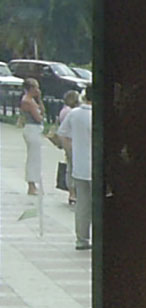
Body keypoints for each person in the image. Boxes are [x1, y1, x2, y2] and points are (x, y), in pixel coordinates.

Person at [57, 86, 92, 250]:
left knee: (82, 205)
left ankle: (82, 239)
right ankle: (100, 238)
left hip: (79, 166)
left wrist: (71, 151)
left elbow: (62, 133)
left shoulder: (75, 113)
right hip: (97, 167)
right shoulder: (99, 115)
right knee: (100, 205)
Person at [20, 78, 44, 195]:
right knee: (33, 158)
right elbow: (38, 117)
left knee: (35, 158)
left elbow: (42, 111)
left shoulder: (32, 100)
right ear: (31, 88)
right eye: (36, 87)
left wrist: (39, 100)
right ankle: (31, 185)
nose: (38, 90)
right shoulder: (28, 101)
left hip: (35, 130)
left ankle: (34, 183)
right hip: (32, 129)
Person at [58, 89, 81, 205]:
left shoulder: (64, 110)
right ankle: (73, 192)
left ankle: (72, 193)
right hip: (72, 142)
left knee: (70, 168)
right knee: (73, 168)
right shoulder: (70, 112)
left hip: (68, 142)